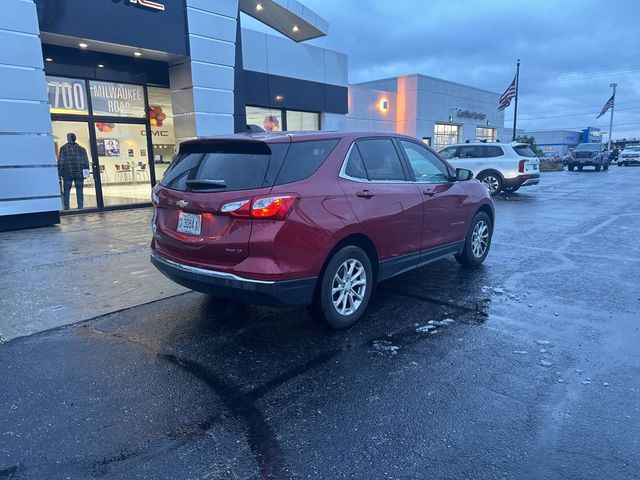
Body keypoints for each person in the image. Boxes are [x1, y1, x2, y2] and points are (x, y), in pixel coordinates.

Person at [57, 133, 89, 210]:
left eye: (67, 137)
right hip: (79, 174)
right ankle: (80, 207)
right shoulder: (82, 149)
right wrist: (86, 174)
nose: (67, 138)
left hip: (68, 174)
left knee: (67, 191)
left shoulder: (63, 148)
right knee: (80, 190)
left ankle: (67, 207)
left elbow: (61, 162)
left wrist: (60, 173)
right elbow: (86, 162)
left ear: (69, 138)